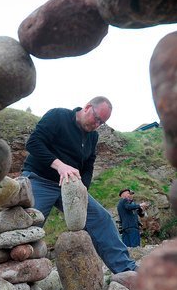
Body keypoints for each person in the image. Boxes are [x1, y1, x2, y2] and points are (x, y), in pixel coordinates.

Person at [21, 96, 138, 273]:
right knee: (28, 228)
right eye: (97, 118)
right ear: (87, 107)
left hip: (69, 187)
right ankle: (14, 274)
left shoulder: (93, 137)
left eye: (102, 123)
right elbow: (33, 143)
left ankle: (126, 270)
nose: (97, 124)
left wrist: (83, 187)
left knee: (102, 218)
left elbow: (88, 167)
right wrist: (59, 165)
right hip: (39, 179)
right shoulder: (58, 116)